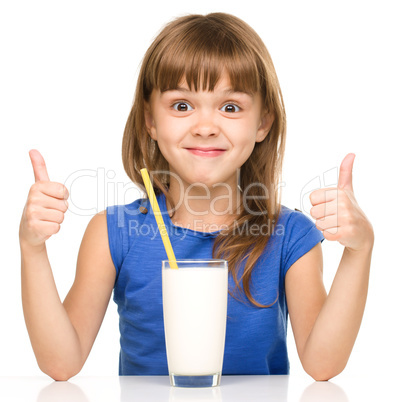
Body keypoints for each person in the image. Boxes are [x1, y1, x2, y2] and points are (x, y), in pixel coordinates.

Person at [19, 12, 374, 382]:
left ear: (263, 122)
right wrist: (32, 248)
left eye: (231, 107)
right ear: (150, 121)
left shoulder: (290, 235)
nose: (205, 127)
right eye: (182, 106)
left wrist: (358, 250)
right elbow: (61, 362)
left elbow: (322, 364)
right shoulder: (114, 233)